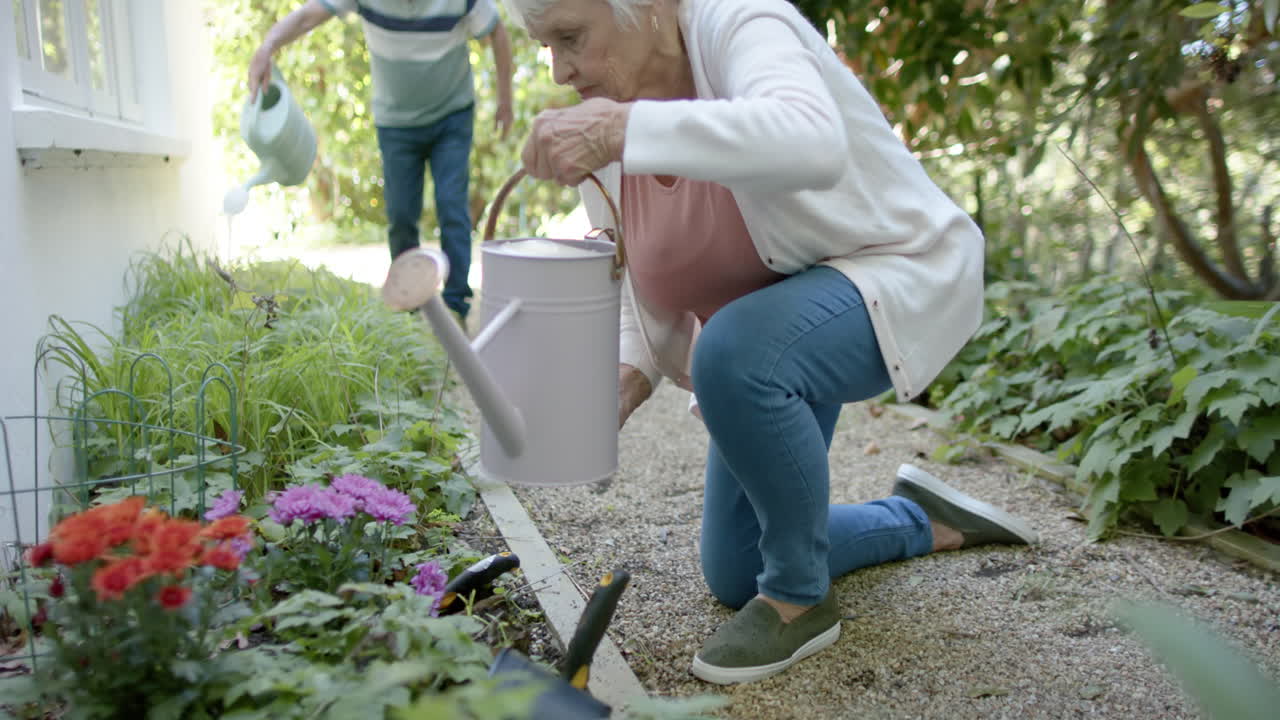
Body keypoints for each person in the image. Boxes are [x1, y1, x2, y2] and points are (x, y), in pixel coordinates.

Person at [506, 0, 1040, 686]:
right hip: (775, 323)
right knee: (735, 568)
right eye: (543, 45)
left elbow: (809, 139)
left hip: (885, 276)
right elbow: (635, 269)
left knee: (729, 354)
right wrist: (626, 378)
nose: (558, 70)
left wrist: (621, 130)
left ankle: (800, 600)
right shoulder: (611, 115)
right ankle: (920, 519)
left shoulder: (739, 22)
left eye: (570, 37)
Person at [249, 0, 515, 322]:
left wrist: (505, 100)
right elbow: (307, 16)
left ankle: (457, 303)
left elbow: (498, 33)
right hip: (396, 123)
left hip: (452, 117)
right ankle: (408, 306)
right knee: (401, 214)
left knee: (451, 206)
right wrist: (267, 46)